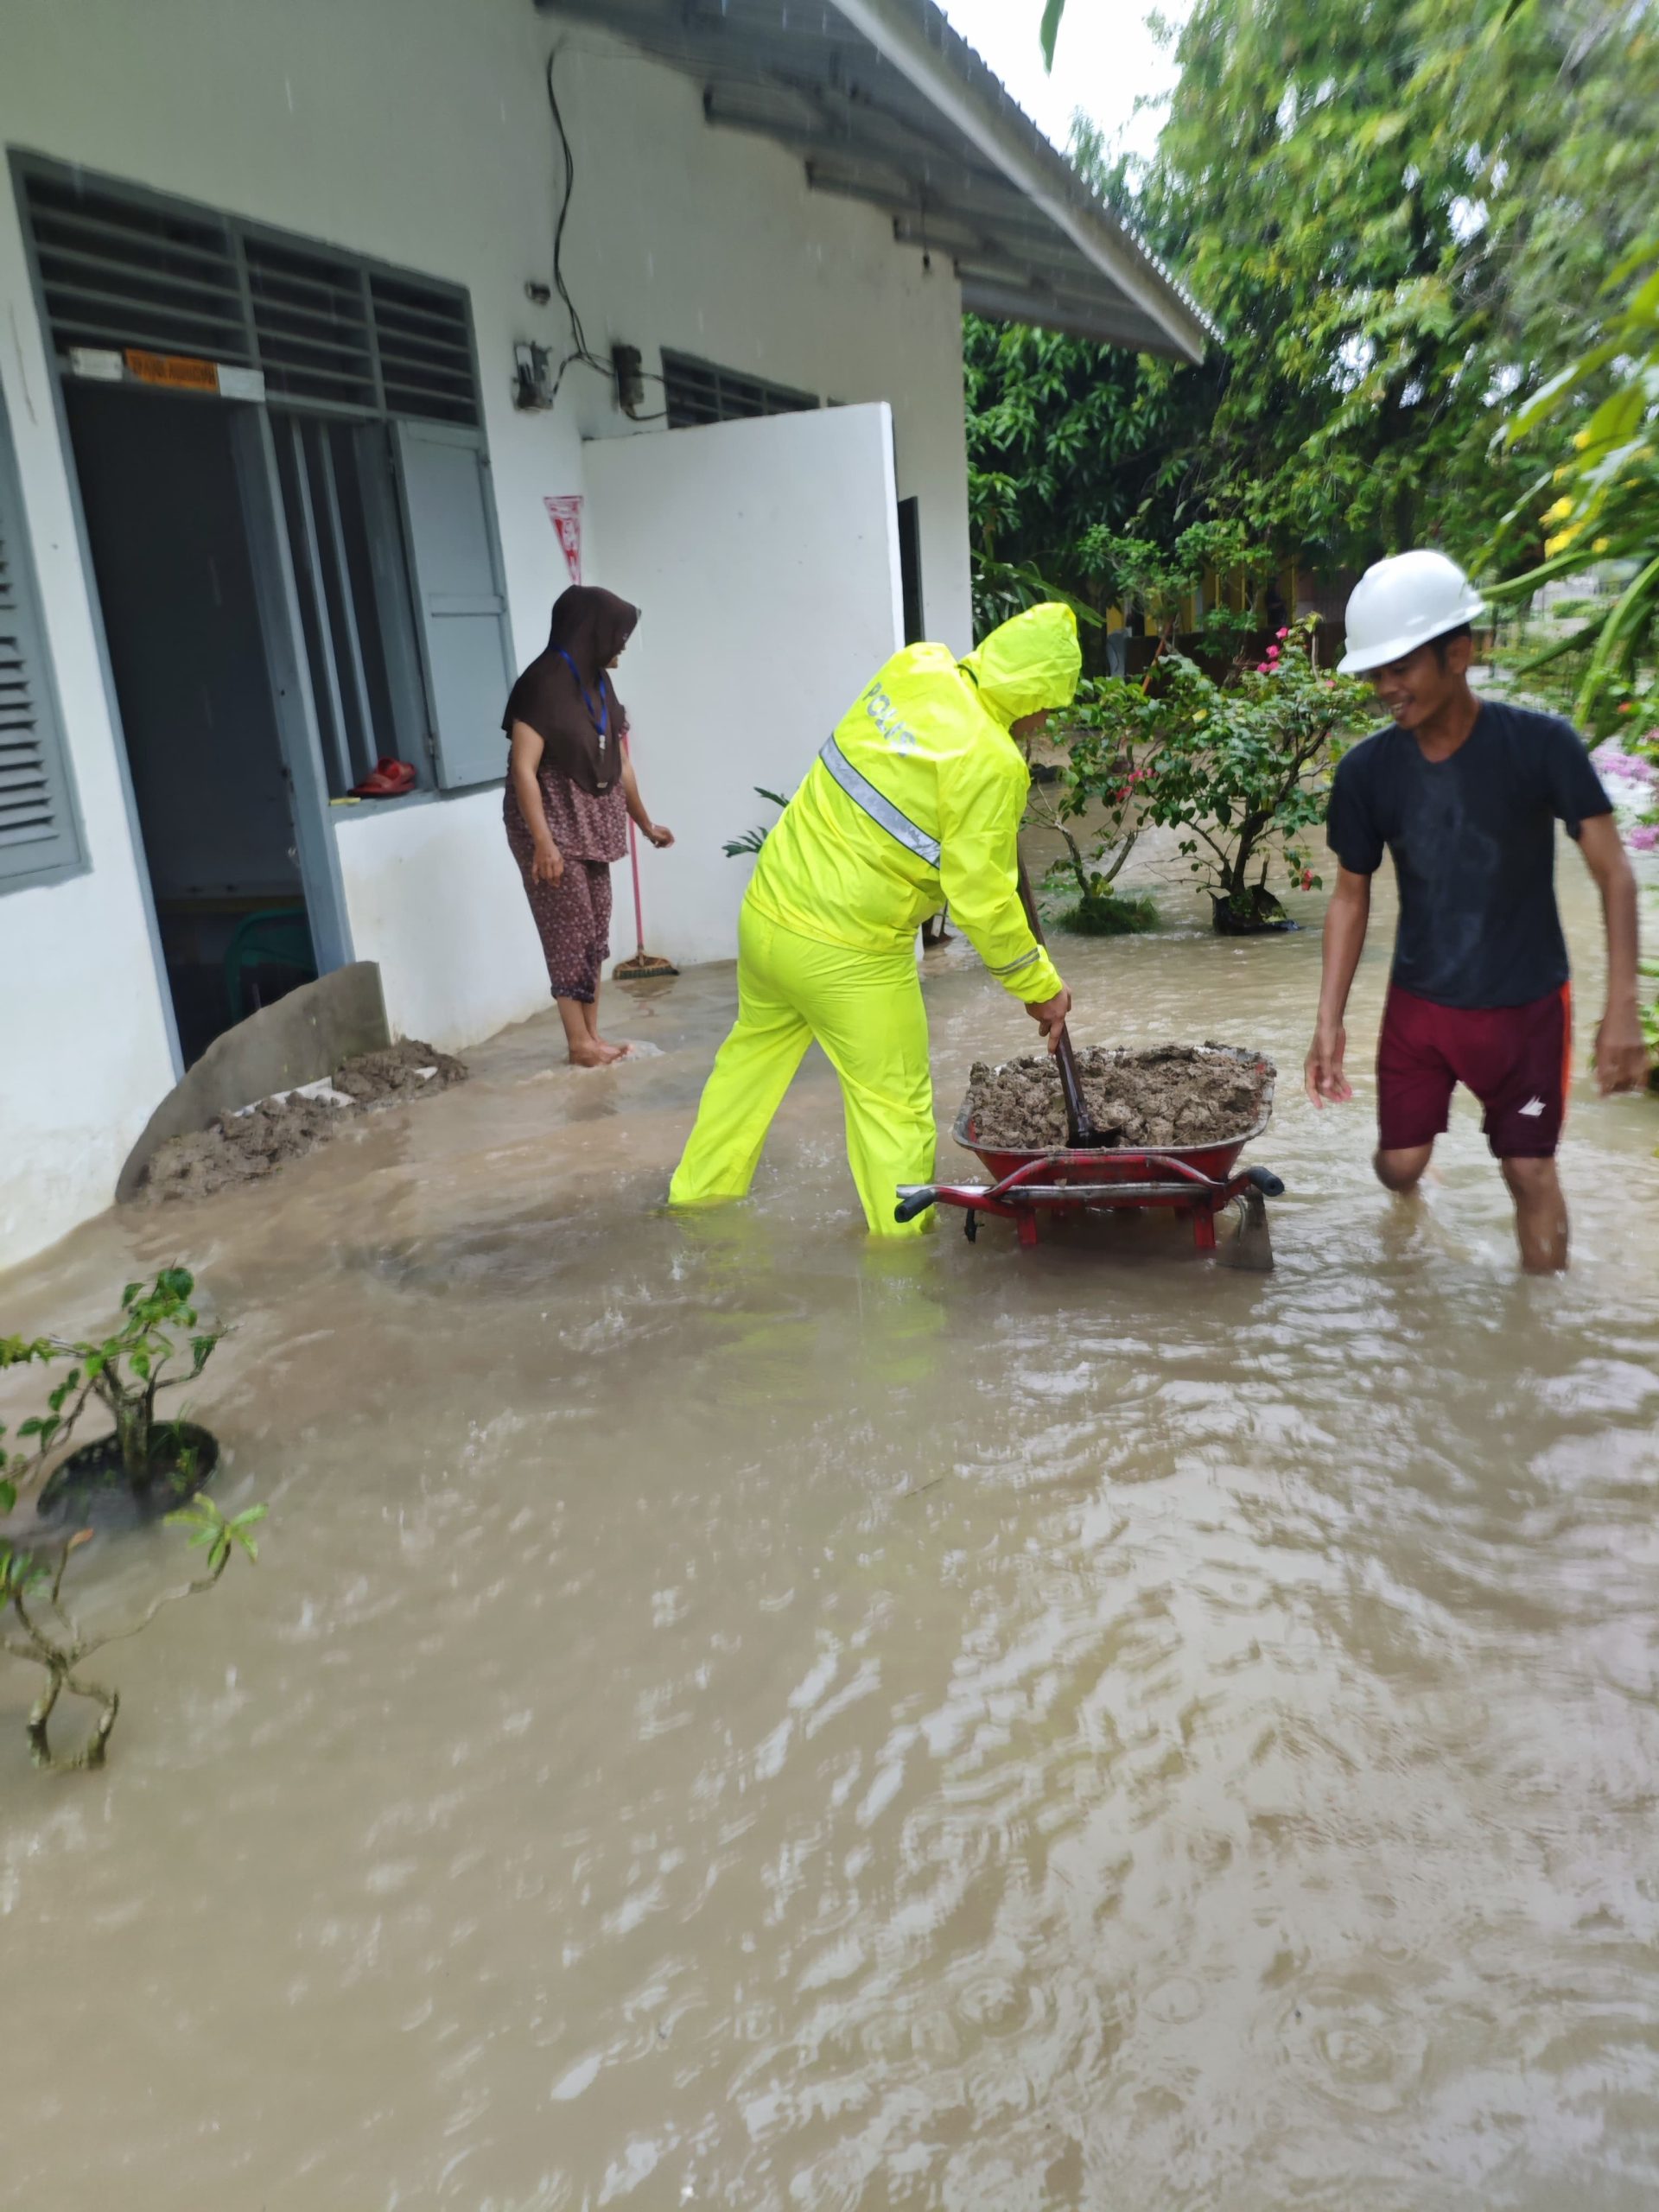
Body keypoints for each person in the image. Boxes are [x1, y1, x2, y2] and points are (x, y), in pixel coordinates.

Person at [669, 602, 1083, 1236]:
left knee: (744, 1076)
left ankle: (694, 1206)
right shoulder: (993, 762)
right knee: (893, 1106)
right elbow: (982, 900)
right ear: (1037, 694)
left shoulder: (917, 665)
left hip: (766, 914)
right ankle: (903, 1269)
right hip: (850, 954)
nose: (1047, 721)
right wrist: (1041, 990)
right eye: (1052, 705)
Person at [1305, 549, 1647, 1272]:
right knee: (1397, 1166)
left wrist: (1623, 1010)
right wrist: (1327, 1021)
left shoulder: (1540, 745)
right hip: (1420, 1010)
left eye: (1401, 669)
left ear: (1458, 653)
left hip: (1526, 1012)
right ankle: (1414, 1202)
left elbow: (1615, 873)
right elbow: (1349, 894)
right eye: (1374, 673)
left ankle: (1538, 1345)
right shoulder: (1366, 772)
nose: (1384, 689)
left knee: (1528, 1172)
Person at [504, 587, 673, 1068]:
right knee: (568, 928)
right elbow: (523, 770)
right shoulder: (541, 684)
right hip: (551, 823)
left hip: (594, 826)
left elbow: (620, 761)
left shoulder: (598, 683)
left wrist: (645, 823)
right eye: (616, 634)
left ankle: (592, 1036)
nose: (620, 644)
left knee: (596, 927)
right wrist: (543, 843)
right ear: (591, 631)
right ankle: (578, 1044)